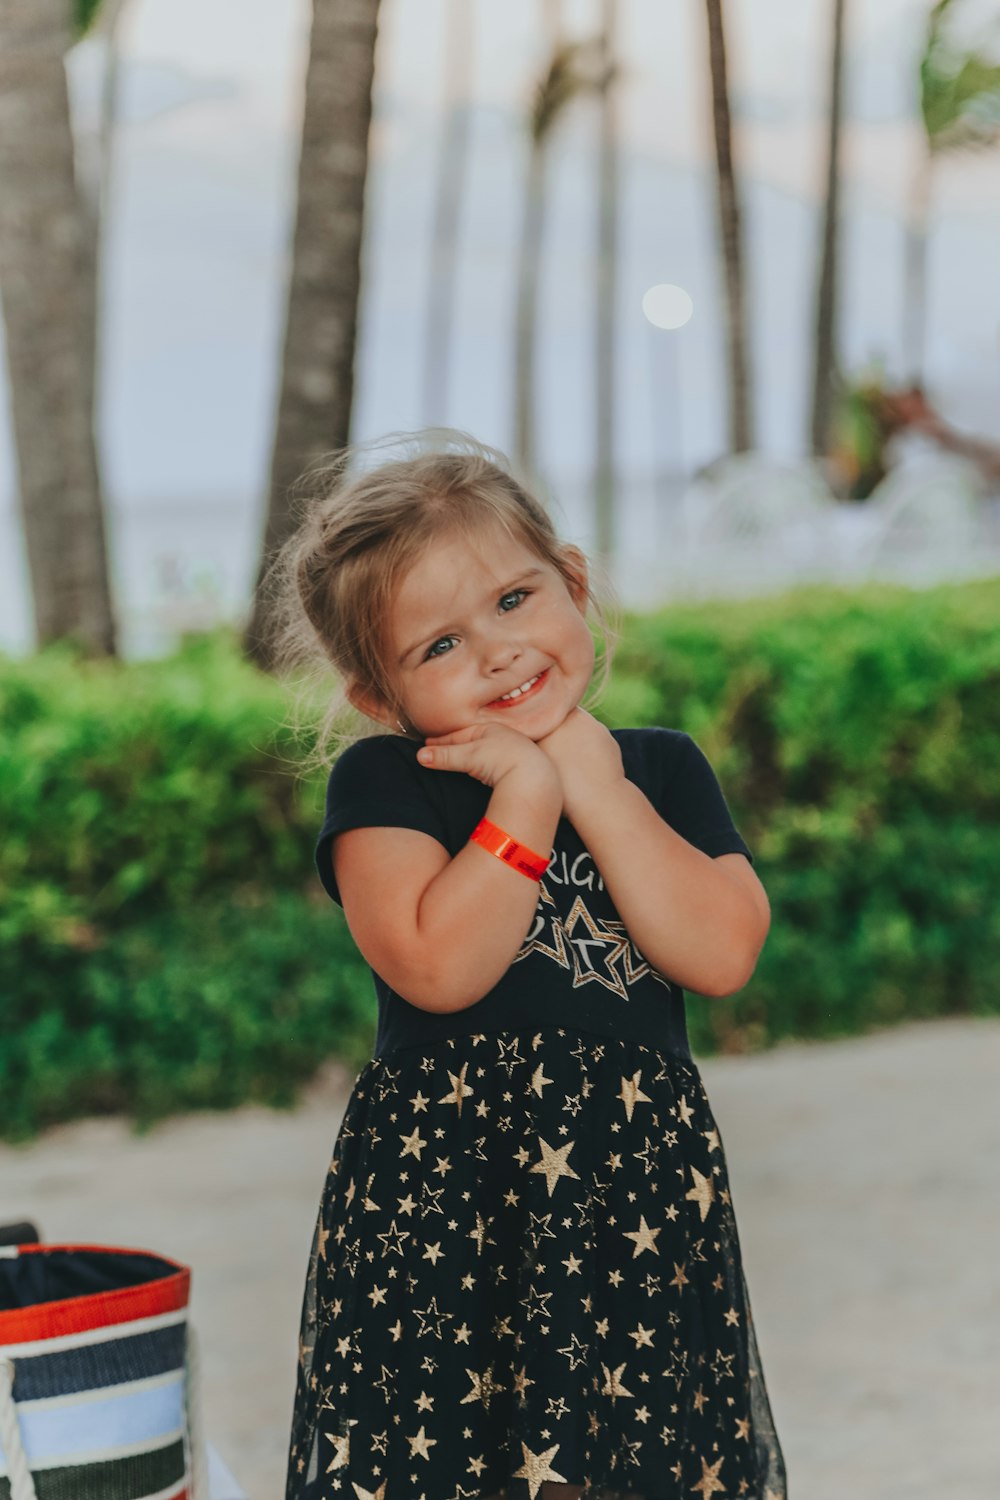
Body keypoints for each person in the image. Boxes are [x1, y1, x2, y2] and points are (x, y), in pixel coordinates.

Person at [274, 431, 786, 1500]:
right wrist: (522, 800)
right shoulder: (386, 786)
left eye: (514, 601)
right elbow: (437, 966)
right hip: (449, 1215)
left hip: (635, 1202)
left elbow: (722, 948)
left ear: (575, 584)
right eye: (438, 646)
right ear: (379, 695)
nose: (498, 651)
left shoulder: (656, 768)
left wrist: (591, 785)